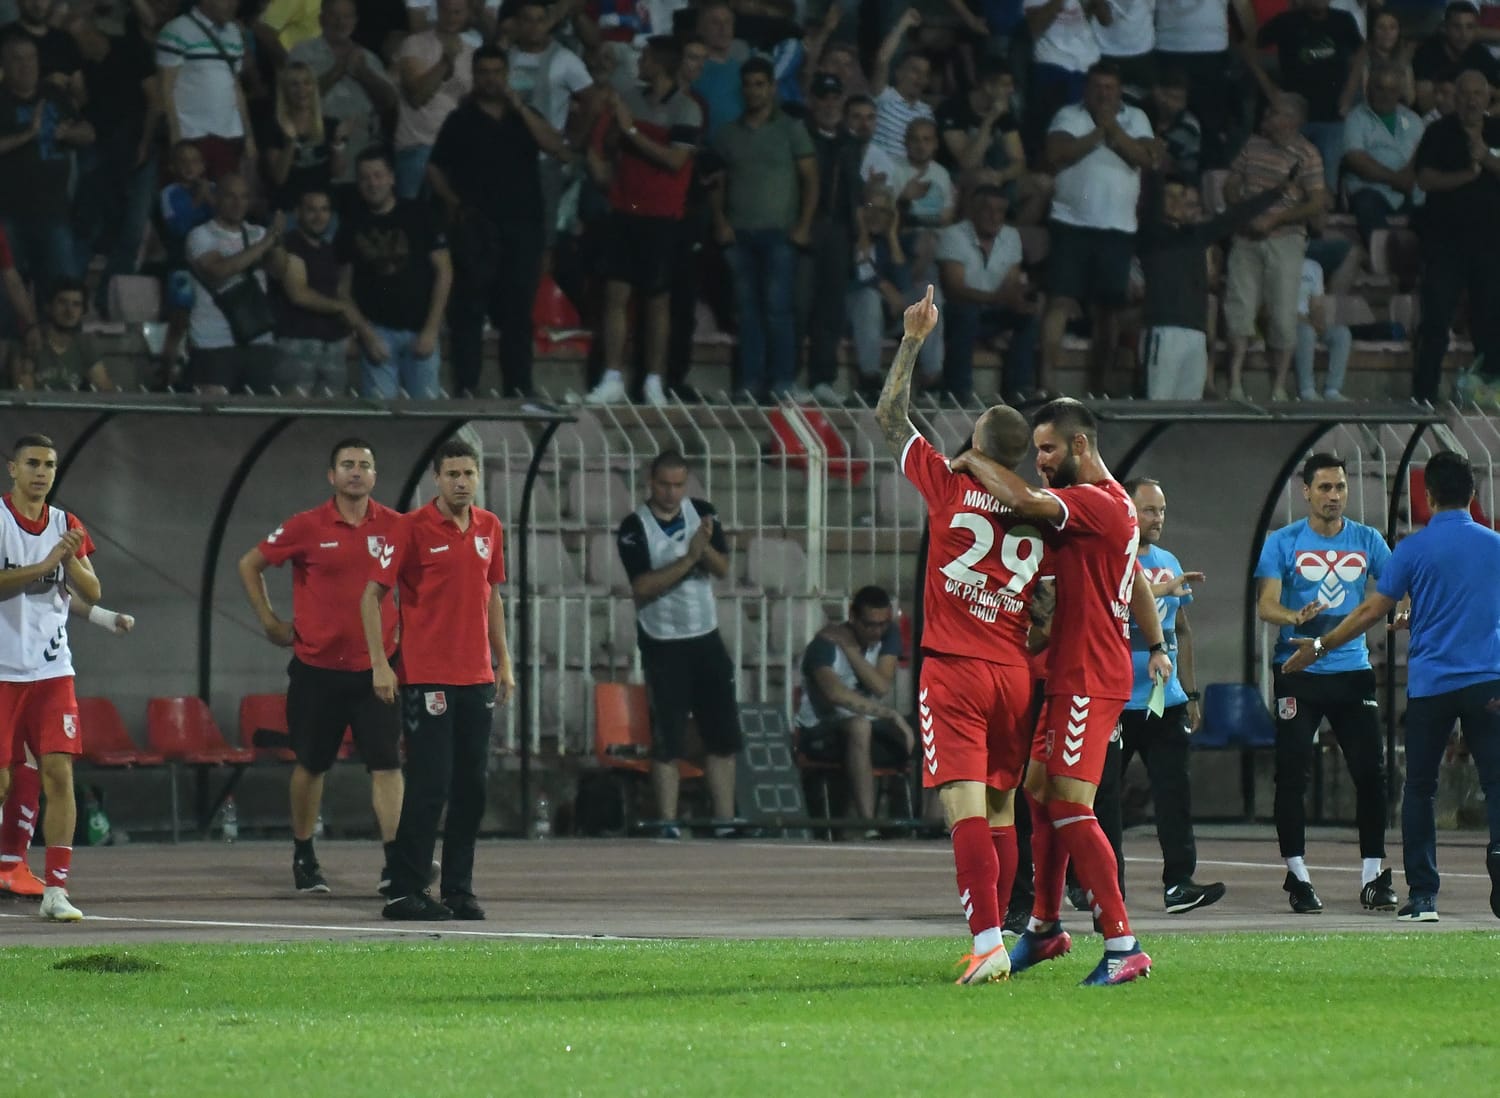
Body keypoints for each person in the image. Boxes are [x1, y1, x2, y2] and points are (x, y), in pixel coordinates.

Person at [951, 397, 1173, 986]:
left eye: (1046, 449)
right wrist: (1155, 643)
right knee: (1039, 793)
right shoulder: (1108, 506)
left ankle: (1124, 944)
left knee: (1072, 804)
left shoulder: (1094, 503)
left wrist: (973, 459)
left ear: (1079, 446)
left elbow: (1022, 500)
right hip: (1069, 671)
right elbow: (1133, 585)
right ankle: (1045, 929)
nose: (1038, 460)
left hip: (1089, 677)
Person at [873, 285, 1046, 985]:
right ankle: (999, 934)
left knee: (962, 806)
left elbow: (889, 417)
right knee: (1002, 808)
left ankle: (985, 941)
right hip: (1015, 672)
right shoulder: (1042, 512)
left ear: (976, 442)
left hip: (957, 667)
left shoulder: (949, 482)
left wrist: (914, 339)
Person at [1282, 450, 1500, 922]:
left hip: (1431, 688)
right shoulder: (1494, 546)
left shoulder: (1412, 549)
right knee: (1497, 785)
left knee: (1419, 789)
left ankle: (1423, 897)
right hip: (1488, 683)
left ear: (1427, 496)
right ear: (1473, 494)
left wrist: (1320, 646)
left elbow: (1369, 612)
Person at [238, 438, 404, 896]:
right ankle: (305, 854)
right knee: (312, 764)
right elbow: (249, 564)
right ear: (331, 476)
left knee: (388, 764)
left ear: (375, 476)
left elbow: (414, 583)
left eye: (365, 465)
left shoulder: (395, 526)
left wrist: (403, 636)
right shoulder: (305, 525)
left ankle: (396, 863)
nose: (356, 472)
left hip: (377, 670)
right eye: (347, 465)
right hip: (316, 669)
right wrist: (271, 622)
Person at [362, 438, 513, 921]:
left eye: (468, 474)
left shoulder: (490, 527)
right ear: (437, 478)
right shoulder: (411, 528)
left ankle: (458, 889)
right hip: (428, 677)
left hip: (476, 675)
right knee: (430, 784)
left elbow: (492, 595)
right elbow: (371, 597)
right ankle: (404, 889)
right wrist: (381, 663)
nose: (462, 483)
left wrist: (504, 662)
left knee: (473, 787)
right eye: (453, 475)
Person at [1254, 452, 1396, 914]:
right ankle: (1297, 875)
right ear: (1306, 492)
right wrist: (1295, 616)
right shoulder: (1283, 542)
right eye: (1325, 488)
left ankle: (1373, 875)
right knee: (1293, 773)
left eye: (1340, 488)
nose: (1334, 496)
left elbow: (1396, 585)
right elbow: (1266, 605)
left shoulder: (1369, 538)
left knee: (1371, 774)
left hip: (1352, 672)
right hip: (1298, 671)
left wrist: (1407, 607)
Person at [0, 435, 102, 921]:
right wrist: (42, 565)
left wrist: (69, 560)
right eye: (33, 464)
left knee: (59, 774)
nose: (42, 473)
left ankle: (56, 890)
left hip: (52, 670)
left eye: (50, 465)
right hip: (1, 673)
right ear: (12, 470)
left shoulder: (66, 524)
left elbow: (92, 588)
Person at [615, 451, 741, 837]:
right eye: (664, 485)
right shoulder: (634, 526)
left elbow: (722, 568)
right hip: (664, 642)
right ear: (651, 483)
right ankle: (667, 822)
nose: (672, 493)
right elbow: (642, 586)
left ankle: (724, 820)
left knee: (721, 735)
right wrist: (689, 559)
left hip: (705, 636)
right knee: (667, 736)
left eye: (678, 485)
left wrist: (703, 551)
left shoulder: (702, 513)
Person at [428, 45, 566, 398]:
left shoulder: (524, 114)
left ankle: (519, 387)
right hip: (477, 228)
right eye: (484, 73)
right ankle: (467, 385)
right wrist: (454, 204)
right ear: (475, 76)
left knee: (518, 312)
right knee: (469, 310)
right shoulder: (461, 120)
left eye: (497, 72)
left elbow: (555, 146)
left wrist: (519, 106)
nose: (491, 79)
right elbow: (434, 167)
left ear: (507, 75)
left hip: (523, 227)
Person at [1117, 476, 1224, 913]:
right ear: (1128, 510)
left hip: (1166, 700)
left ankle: (1179, 883)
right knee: (1102, 798)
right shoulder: (1111, 558)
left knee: (1174, 794)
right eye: (1148, 510)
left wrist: (1191, 692)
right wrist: (1158, 590)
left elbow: (1181, 629)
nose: (1157, 518)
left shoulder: (1168, 559)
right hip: (1118, 701)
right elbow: (1118, 603)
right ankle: (1094, 883)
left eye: (1161, 510)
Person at [583, 35, 704, 407]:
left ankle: (653, 380)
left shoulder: (687, 109)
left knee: (656, 300)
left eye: (646, 57)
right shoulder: (630, 99)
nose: (639, 62)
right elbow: (603, 143)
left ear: (661, 64)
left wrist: (632, 131)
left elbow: (675, 161)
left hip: (662, 217)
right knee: (616, 294)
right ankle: (612, 376)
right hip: (624, 211)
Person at [0, 596, 134, 898]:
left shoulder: (52, 553)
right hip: (6, 668)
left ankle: (11, 862)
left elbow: (57, 587)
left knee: (37, 763)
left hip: (40, 669)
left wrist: (104, 616)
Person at [1041, 62, 1158, 395]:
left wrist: (1115, 131)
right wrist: (1099, 132)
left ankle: (1099, 386)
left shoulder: (1136, 118)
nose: (1103, 93)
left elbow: (1148, 158)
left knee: (1108, 309)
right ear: (1086, 89)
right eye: (1097, 87)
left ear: (1119, 90)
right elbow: (1056, 152)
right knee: (1059, 302)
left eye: (1110, 87)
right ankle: (1045, 384)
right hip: (1070, 223)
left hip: (1117, 228)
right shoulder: (1069, 115)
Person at [710, 57, 818, 402]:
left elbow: (810, 178)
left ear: (771, 87)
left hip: (780, 233)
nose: (754, 91)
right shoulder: (727, 133)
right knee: (747, 312)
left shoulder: (790, 129)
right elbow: (717, 182)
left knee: (778, 310)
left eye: (760, 84)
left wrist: (803, 225)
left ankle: (782, 381)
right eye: (749, 84)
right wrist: (720, 222)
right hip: (739, 233)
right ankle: (749, 383)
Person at [1136, 170, 1285, 399]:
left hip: (1196, 335)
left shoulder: (1196, 234)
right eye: (1170, 196)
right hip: (1164, 333)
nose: (1178, 202)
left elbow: (1235, 216)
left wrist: (1275, 194)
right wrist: (1155, 169)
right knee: (1154, 406)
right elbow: (1150, 203)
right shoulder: (1151, 235)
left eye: (1181, 196)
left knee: (1186, 414)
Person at [1222, 93, 1325, 402]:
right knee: (1239, 310)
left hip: (1286, 240)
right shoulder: (1252, 145)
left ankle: (1278, 388)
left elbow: (1318, 201)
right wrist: (1239, 204)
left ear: (1293, 120)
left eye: (1276, 113)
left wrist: (1277, 219)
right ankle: (1235, 385)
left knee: (1282, 315)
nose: (1268, 117)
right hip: (1246, 238)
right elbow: (1231, 182)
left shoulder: (1308, 153)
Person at [1410, 69, 1500, 404]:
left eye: (1479, 93)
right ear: (1455, 97)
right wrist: (1466, 175)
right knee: (1435, 321)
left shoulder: (1497, 131)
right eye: (1465, 94)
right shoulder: (1438, 132)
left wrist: (1486, 158)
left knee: (1491, 322)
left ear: (1488, 96)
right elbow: (1425, 179)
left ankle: (1488, 395)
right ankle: (1423, 398)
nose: (1472, 100)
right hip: (1445, 245)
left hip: (1492, 245)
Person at [794, 586, 914, 833]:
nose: (877, 631)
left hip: (870, 720)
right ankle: (868, 824)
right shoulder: (824, 645)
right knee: (860, 726)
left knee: (932, 726)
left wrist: (852, 651)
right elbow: (836, 694)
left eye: (883, 624)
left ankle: (931, 825)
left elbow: (880, 685)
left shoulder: (887, 636)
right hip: (820, 729)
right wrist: (890, 714)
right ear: (853, 617)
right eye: (870, 625)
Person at [336, 147, 451, 399]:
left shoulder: (420, 215)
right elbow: (342, 290)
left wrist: (432, 330)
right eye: (365, 177)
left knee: (426, 418)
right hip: (377, 334)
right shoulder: (350, 226)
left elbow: (444, 272)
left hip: (420, 330)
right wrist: (366, 335)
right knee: (378, 420)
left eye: (378, 175)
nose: (372, 183)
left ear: (392, 178)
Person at [0, 34, 94, 291]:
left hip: (54, 211)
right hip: (7, 214)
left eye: (31, 58)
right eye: (18, 59)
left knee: (62, 289)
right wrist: (28, 134)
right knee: (8, 297)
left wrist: (67, 133)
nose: (26, 65)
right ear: (3, 64)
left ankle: (54, 333)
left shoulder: (52, 93)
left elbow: (88, 133)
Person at [184, 174, 292, 394]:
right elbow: (219, 270)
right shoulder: (201, 235)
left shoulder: (258, 233)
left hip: (257, 338)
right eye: (230, 196)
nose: (238, 203)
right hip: (213, 343)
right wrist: (266, 242)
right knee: (213, 418)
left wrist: (277, 239)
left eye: (244, 197)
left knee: (259, 414)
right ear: (216, 198)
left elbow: (279, 270)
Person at [936, 185, 1040, 400]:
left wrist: (1012, 300)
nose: (994, 217)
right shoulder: (954, 235)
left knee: (1027, 317)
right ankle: (958, 392)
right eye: (987, 210)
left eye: (1000, 211)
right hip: (957, 311)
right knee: (967, 313)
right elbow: (955, 289)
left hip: (992, 309)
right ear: (973, 211)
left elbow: (1010, 284)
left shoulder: (1011, 236)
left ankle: (1018, 390)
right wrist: (998, 298)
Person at [156, 0, 258, 180]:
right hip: (191, 138)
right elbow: (165, 88)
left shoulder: (234, 33)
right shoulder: (177, 30)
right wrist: (175, 137)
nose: (233, 4)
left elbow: (235, 87)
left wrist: (248, 136)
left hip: (228, 136)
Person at [393, 0, 475, 198]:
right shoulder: (414, 44)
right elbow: (417, 97)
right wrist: (446, 61)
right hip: (417, 146)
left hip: (454, 149)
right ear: (437, 10)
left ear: (467, 13)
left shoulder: (472, 52)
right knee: (412, 217)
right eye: (446, 11)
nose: (452, 17)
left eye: (458, 12)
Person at [1341, 64, 1424, 246]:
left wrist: (1408, 177)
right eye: (1380, 88)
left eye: (1392, 90)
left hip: (1411, 191)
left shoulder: (1413, 119)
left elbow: (1423, 154)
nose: (1386, 95)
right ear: (1368, 89)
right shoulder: (1356, 118)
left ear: (1399, 92)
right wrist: (1394, 179)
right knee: (1366, 203)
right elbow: (1356, 159)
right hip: (1371, 189)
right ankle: (1383, 257)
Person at [12, 280, 115, 391]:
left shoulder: (84, 344)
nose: (69, 310)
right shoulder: (30, 342)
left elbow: (105, 388)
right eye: (62, 302)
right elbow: (25, 397)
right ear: (49, 306)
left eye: (76, 304)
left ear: (83, 312)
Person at [1412, 2, 1500, 117]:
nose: (1463, 34)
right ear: (1445, 27)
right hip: (1435, 120)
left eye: (1469, 27)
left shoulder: (1480, 53)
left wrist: (1484, 115)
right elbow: (1424, 102)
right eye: (1457, 26)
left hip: (1473, 119)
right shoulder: (1427, 52)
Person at [1294, 255, 1351, 400]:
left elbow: (1317, 304)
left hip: (1308, 320)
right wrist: (1305, 321)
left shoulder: (1313, 267)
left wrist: (1318, 322)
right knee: (1306, 332)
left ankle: (1332, 389)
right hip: (1289, 321)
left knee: (1342, 334)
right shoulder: (1277, 263)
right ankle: (1307, 389)